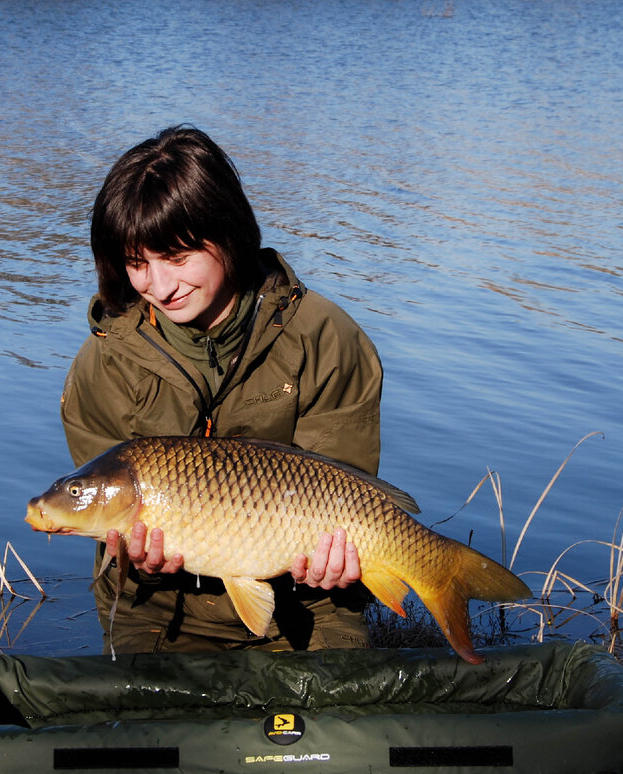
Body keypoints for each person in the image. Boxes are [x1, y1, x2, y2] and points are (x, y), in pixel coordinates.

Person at [60, 125, 384, 654]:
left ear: (229, 234)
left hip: (308, 609)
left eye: (177, 258)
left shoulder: (325, 337)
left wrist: (336, 565)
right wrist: (135, 558)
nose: (159, 286)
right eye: (138, 264)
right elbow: (103, 500)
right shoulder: (105, 361)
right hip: (157, 611)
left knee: (326, 737)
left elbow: (348, 491)